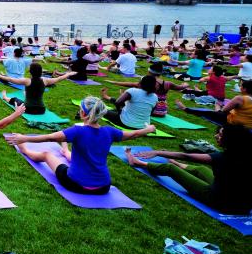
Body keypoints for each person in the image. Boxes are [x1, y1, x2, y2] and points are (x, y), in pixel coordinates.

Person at [6, 97, 156, 195]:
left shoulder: (78, 131)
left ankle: (24, 149)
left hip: (76, 184)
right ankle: (65, 151)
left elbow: (48, 137)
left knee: (47, 154)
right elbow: (133, 134)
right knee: (79, 156)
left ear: (84, 114)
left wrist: (23, 138)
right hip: (103, 187)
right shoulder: (110, 132)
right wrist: (148, 129)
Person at [124, 124, 252, 214]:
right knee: (202, 169)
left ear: (230, 140)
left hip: (219, 200)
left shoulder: (222, 157)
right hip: (243, 205)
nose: (216, 136)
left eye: (220, 135)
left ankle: (138, 163)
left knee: (170, 169)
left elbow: (186, 156)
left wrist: (158, 152)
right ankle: (178, 164)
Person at [106, 62, 187, 117]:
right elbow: (180, 87)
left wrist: (115, 82)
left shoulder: (147, 82)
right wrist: (185, 84)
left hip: (149, 110)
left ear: (149, 72)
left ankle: (107, 98)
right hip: (162, 111)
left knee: (127, 98)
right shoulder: (168, 83)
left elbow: (133, 84)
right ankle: (107, 97)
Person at [0, 63, 76, 115]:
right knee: (26, 93)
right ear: (41, 72)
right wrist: (68, 74)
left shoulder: (27, 81)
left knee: (14, 99)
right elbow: (59, 78)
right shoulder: (46, 80)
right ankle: (22, 95)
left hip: (28, 109)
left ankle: (5, 97)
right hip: (41, 110)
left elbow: (10, 79)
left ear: (30, 72)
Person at [175, 80, 252, 129]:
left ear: (245, 89)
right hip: (248, 125)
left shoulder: (240, 98)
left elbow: (224, 111)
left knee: (209, 112)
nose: (240, 88)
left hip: (236, 124)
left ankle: (185, 108)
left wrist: (218, 106)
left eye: (241, 86)